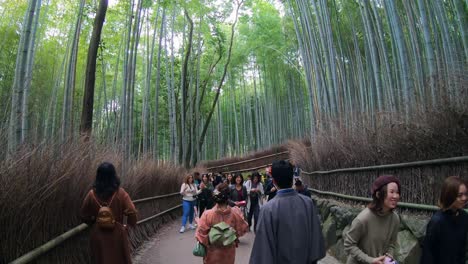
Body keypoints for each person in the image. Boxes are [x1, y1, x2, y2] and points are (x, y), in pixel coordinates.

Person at [249, 160, 325, 263]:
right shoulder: (307, 203)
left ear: (274, 181)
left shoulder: (268, 209)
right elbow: (316, 243)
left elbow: (263, 252)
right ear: (293, 179)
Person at [80, 162, 138, 264]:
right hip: (118, 235)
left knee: (100, 260)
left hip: (98, 235)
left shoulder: (91, 195)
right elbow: (132, 211)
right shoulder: (120, 193)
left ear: (98, 176)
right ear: (113, 176)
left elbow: (84, 215)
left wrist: (94, 222)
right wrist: (127, 226)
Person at [344, 175, 401, 264]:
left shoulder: (395, 219)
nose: (395, 196)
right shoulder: (363, 219)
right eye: (392, 192)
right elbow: (349, 245)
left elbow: (392, 244)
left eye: (397, 192)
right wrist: (370, 260)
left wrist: (388, 256)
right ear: (378, 194)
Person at [195, 183, 249, 264]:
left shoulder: (207, 214)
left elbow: (200, 235)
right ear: (228, 197)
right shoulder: (235, 213)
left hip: (212, 254)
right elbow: (243, 229)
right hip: (228, 254)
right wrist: (232, 236)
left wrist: (200, 223)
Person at [420, 176, 468, 264]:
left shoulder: (464, 217)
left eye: (466, 194)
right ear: (449, 196)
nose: (464, 198)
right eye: (459, 195)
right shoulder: (437, 221)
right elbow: (428, 255)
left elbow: (462, 250)